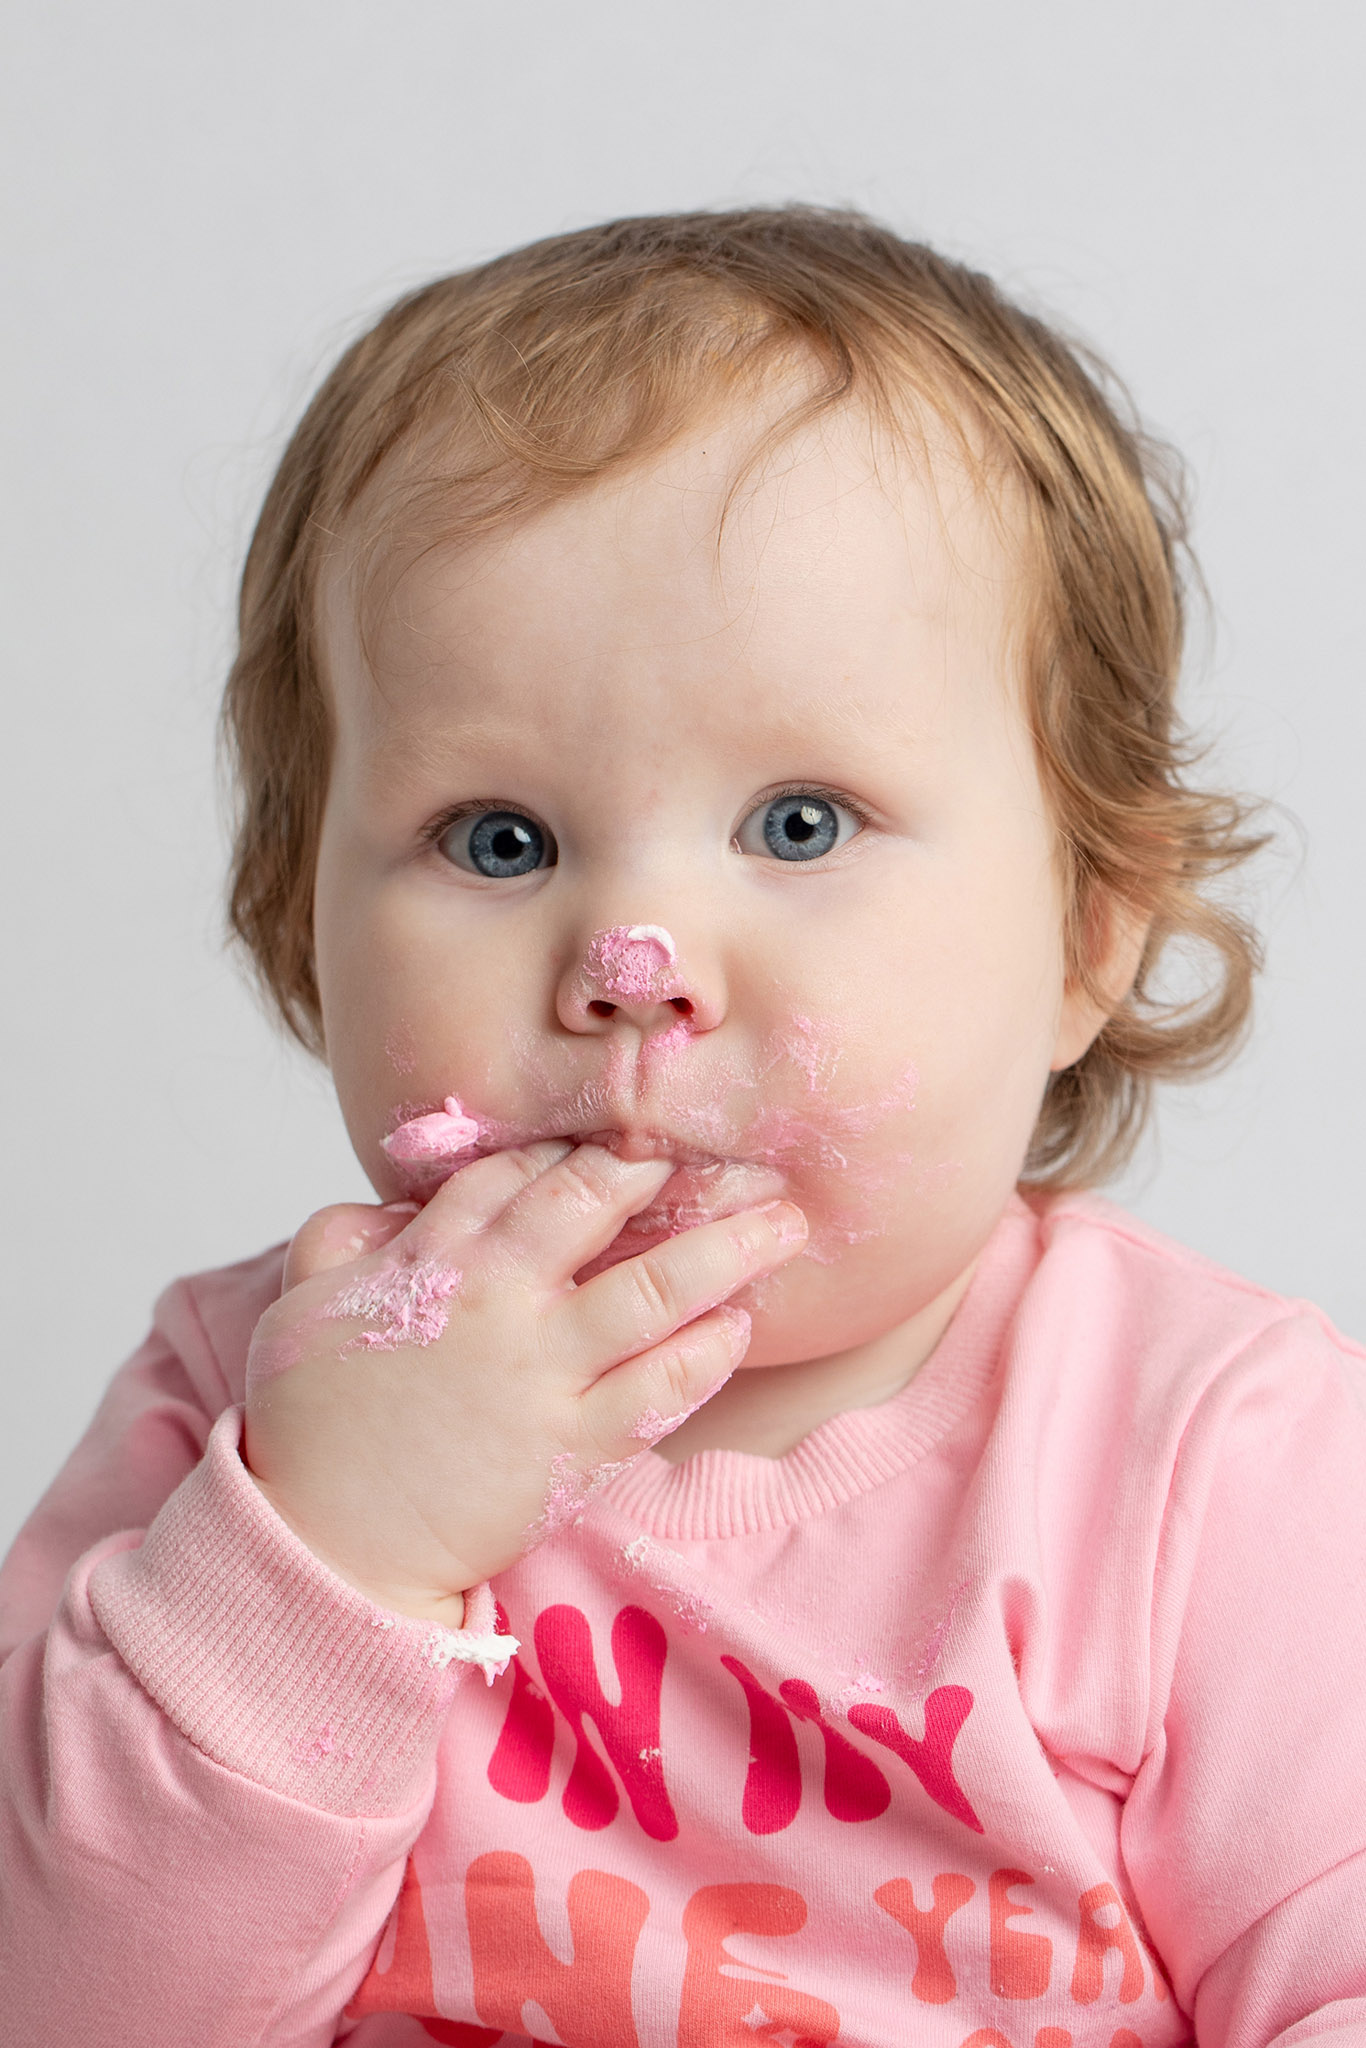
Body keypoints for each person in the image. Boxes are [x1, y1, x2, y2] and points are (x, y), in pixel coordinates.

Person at [2, 207, 1362, 2048]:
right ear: (297, 932)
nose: (632, 966)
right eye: (501, 840)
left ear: (1088, 935)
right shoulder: (237, 1413)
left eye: (799, 824)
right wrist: (328, 1554)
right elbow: (71, 2006)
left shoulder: (1212, 1461)